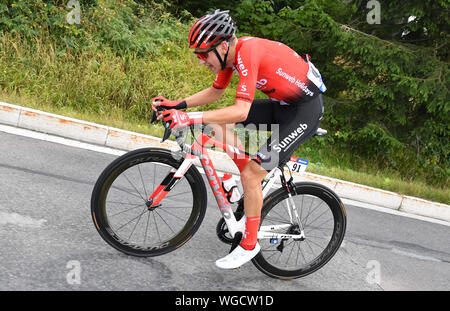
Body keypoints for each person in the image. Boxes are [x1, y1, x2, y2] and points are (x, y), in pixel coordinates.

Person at [152, 9, 326, 269]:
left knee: (253, 174)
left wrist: (188, 118)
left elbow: (241, 110)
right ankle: (240, 185)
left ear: (222, 46)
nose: (201, 61)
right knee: (214, 122)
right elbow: (216, 91)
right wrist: (178, 104)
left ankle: (249, 243)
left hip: (304, 112)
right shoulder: (230, 56)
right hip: (282, 105)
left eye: (203, 54)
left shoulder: (248, 53)